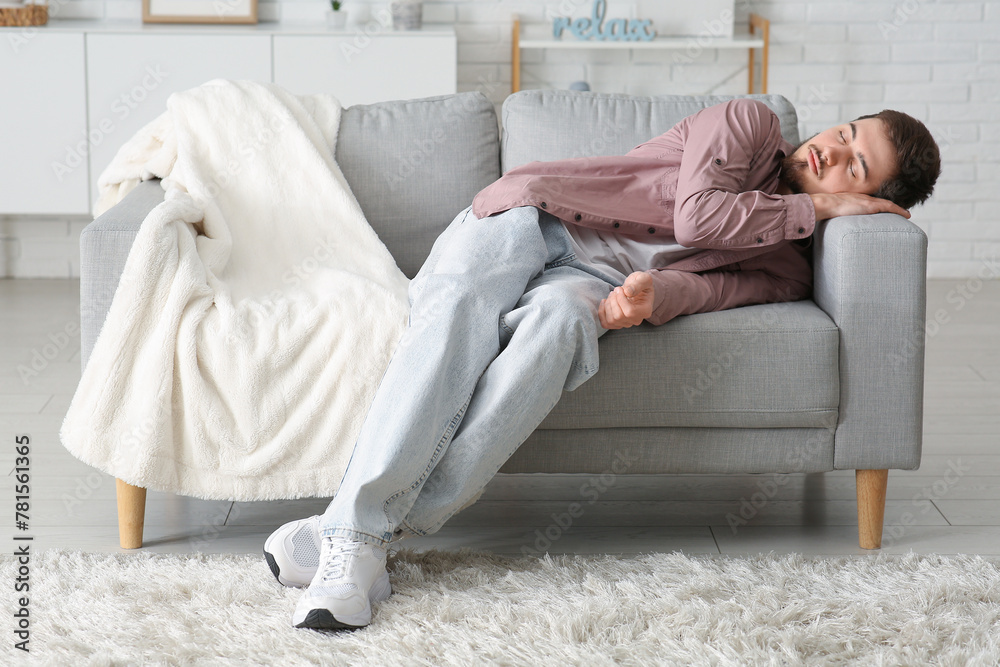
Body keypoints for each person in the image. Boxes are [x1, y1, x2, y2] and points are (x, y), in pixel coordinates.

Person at [261, 99, 941, 630]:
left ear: (875, 198)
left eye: (857, 166)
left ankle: (357, 534)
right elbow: (700, 217)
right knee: (461, 308)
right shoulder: (750, 125)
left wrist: (656, 296)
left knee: (558, 334)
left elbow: (712, 286)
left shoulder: (791, 265)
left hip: (583, 282)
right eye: (847, 133)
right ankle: (355, 535)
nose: (833, 151)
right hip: (534, 217)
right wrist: (818, 203)